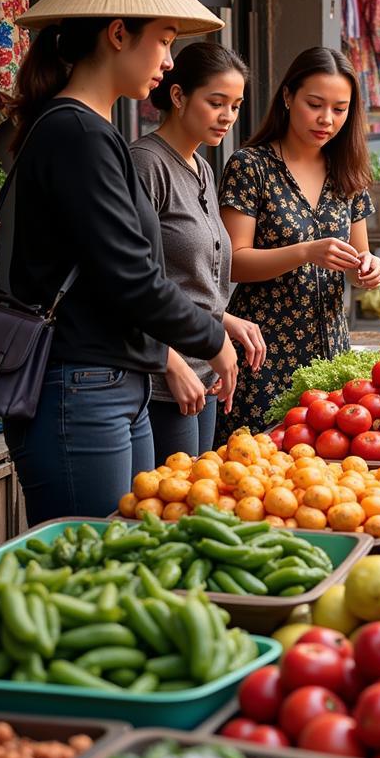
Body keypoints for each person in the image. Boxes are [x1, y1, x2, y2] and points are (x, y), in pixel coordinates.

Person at [5, 0, 241, 525]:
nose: (167, 61)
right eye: (162, 39)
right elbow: (131, 276)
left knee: (129, 554)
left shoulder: (94, 131)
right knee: (91, 571)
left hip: (115, 381)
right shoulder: (78, 135)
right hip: (81, 387)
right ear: (117, 34)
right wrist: (211, 337)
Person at [219, 47, 380, 434]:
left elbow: (361, 258)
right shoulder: (250, 166)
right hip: (262, 352)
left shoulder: (348, 169)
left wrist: (369, 269)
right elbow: (233, 262)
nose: (326, 119)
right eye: (315, 104)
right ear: (288, 96)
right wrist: (307, 252)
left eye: (340, 109)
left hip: (331, 352)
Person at [131, 43, 267, 458]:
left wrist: (225, 320)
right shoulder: (145, 164)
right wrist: (169, 360)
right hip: (163, 378)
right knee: (166, 508)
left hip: (208, 366)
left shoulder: (203, 167)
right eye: (216, 102)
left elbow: (188, 277)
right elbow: (132, 281)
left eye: (236, 105)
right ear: (178, 96)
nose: (228, 116)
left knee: (197, 493)